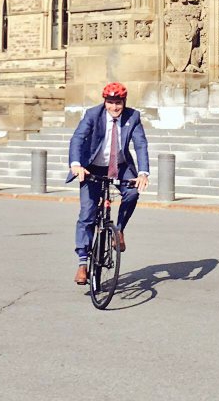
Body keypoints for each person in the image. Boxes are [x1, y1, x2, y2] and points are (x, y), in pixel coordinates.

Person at [67, 82, 150, 285]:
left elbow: (140, 144)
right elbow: (78, 138)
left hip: (120, 165)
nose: (114, 107)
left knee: (133, 193)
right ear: (104, 102)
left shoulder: (133, 116)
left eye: (118, 103)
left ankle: (119, 230)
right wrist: (76, 164)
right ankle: (82, 263)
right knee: (87, 213)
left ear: (124, 102)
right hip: (92, 167)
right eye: (110, 102)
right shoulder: (92, 115)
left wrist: (143, 173)